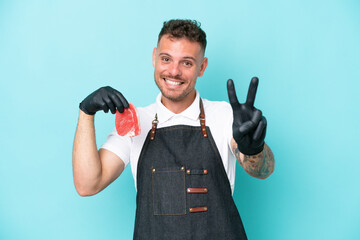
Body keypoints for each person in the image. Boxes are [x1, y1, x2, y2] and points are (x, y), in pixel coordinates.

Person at [72, 19, 274, 240]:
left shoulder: (224, 115)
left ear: (202, 67)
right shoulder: (135, 121)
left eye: (186, 63)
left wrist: (253, 150)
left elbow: (262, 171)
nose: (174, 71)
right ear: (154, 58)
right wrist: (86, 113)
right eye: (166, 59)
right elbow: (88, 185)